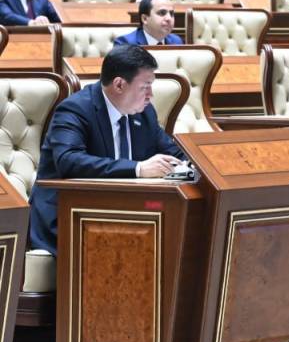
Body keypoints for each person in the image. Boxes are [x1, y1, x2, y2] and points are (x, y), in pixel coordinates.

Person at [28, 45, 186, 255]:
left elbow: (173, 152)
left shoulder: (144, 113)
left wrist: (193, 166)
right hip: (69, 215)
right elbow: (69, 160)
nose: (151, 94)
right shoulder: (75, 109)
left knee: (178, 236)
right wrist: (138, 169)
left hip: (124, 213)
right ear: (119, 84)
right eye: (145, 87)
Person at [114, 0, 183, 46]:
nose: (169, 18)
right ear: (144, 19)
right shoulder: (125, 44)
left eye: (171, 14)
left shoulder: (176, 41)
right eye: (162, 13)